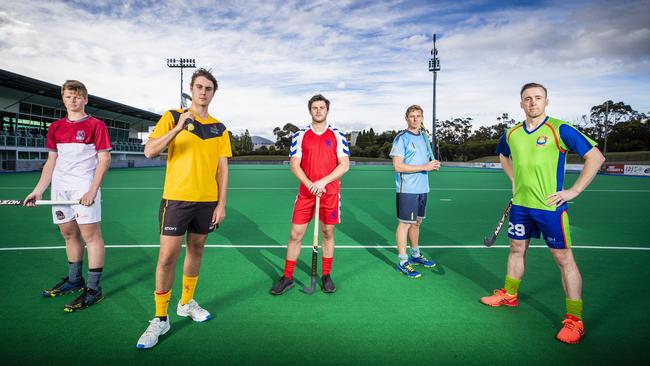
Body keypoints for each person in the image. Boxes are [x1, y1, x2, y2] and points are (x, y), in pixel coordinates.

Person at [480, 82, 605, 344]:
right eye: (528, 98)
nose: (533, 102)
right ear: (521, 103)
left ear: (547, 101)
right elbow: (504, 155)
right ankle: (510, 295)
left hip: (550, 208)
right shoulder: (512, 133)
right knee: (516, 249)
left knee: (563, 259)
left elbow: (596, 157)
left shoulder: (559, 129)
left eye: (538, 98)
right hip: (521, 206)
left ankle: (574, 320)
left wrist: (574, 191)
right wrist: (513, 179)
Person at [136, 68, 232, 349]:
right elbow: (150, 151)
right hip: (176, 199)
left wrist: (221, 203)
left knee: (197, 249)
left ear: (213, 93)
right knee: (167, 258)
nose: (203, 92)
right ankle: (160, 317)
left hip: (207, 201)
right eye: (199, 87)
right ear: (191, 89)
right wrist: (178, 128)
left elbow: (222, 169)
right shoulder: (172, 117)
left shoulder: (220, 128)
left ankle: (186, 302)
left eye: (208, 88)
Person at [24, 80, 111, 312]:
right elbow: (51, 161)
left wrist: (92, 190)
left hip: (84, 188)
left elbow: (104, 160)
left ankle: (94, 289)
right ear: (63, 98)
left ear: (85, 99)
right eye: (69, 96)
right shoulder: (55, 128)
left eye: (77, 96)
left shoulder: (96, 125)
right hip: (60, 188)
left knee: (91, 236)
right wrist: (38, 190)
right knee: (68, 233)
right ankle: (74, 279)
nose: (73, 100)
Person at [270, 94, 350, 295]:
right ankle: (287, 277)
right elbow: (294, 165)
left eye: (322, 107)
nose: (318, 111)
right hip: (306, 194)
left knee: (327, 233)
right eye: (315, 108)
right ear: (310, 110)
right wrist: (310, 184)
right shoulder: (300, 135)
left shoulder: (338, 135)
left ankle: (326, 276)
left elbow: (345, 164)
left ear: (327, 110)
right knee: (295, 234)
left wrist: (323, 182)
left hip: (330, 193)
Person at [389, 105, 441, 278]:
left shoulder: (425, 137)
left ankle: (416, 255)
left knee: (417, 223)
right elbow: (397, 166)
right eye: (412, 116)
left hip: (423, 187)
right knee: (404, 223)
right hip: (408, 189)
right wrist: (425, 166)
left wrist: (432, 165)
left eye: (418, 116)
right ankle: (403, 262)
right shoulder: (401, 138)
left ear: (422, 118)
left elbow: (425, 159)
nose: (415, 119)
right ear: (406, 118)